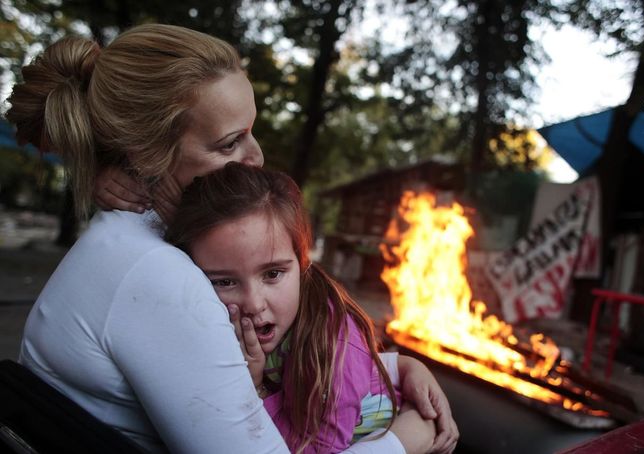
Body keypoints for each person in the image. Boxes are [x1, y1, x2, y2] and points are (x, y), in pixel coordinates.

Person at [6, 23, 458, 453]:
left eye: (251, 130)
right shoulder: (162, 279)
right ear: (144, 153)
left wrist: (398, 366)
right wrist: (409, 439)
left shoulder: (142, 242)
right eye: (229, 144)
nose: (257, 157)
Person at [166, 162, 403, 453]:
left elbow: (310, 450)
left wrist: (255, 389)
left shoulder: (332, 350)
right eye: (224, 281)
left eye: (273, 274)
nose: (253, 303)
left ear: (303, 263)